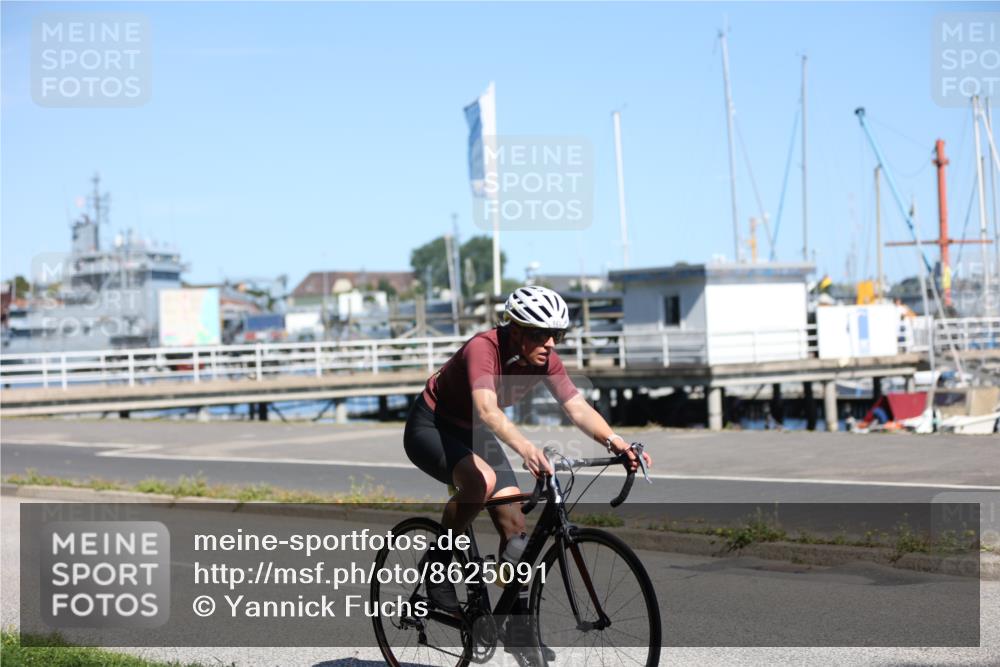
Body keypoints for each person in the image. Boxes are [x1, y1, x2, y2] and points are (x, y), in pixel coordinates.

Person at [403, 285, 653, 659]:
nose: (551, 343)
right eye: (540, 334)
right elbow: (487, 410)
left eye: (558, 335)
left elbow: (576, 407)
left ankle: (516, 630)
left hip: (473, 430)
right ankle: (436, 566)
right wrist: (526, 449)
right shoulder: (483, 348)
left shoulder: (545, 359)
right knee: (480, 481)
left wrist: (614, 440)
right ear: (516, 329)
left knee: (517, 535)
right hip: (432, 424)